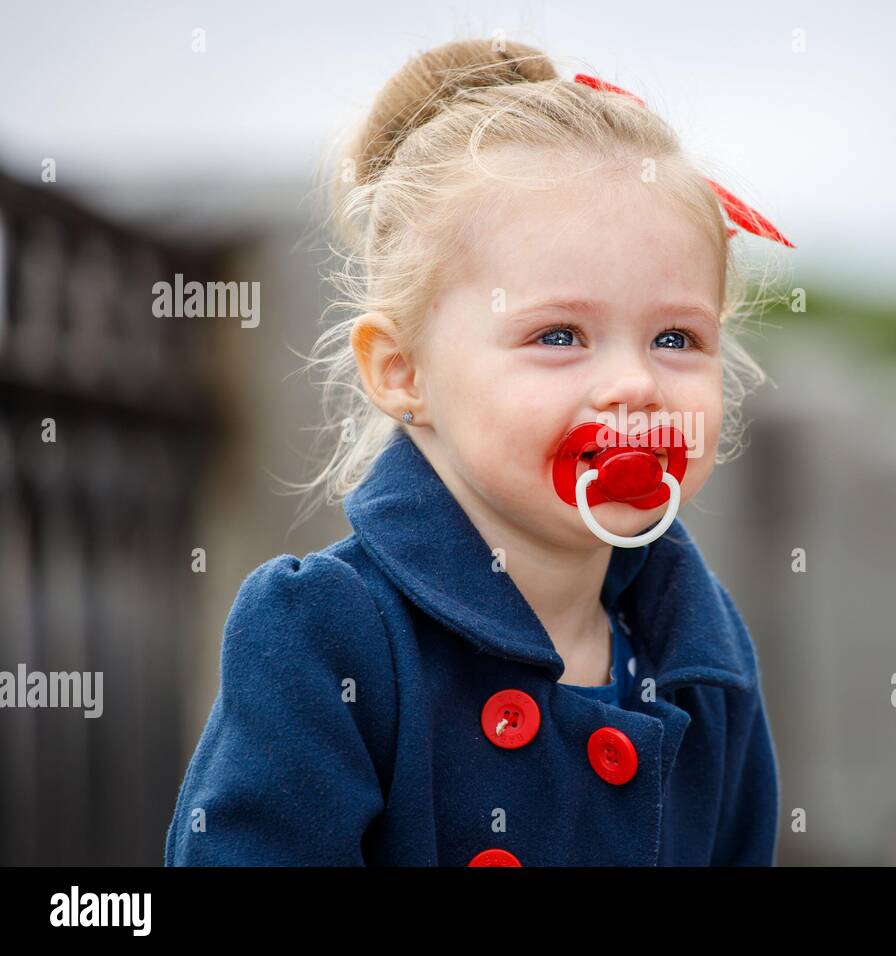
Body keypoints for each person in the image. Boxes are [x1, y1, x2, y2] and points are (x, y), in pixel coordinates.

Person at [164, 38, 790, 866]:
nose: (635, 384)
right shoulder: (327, 632)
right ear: (403, 372)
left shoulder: (701, 657)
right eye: (560, 335)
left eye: (676, 336)